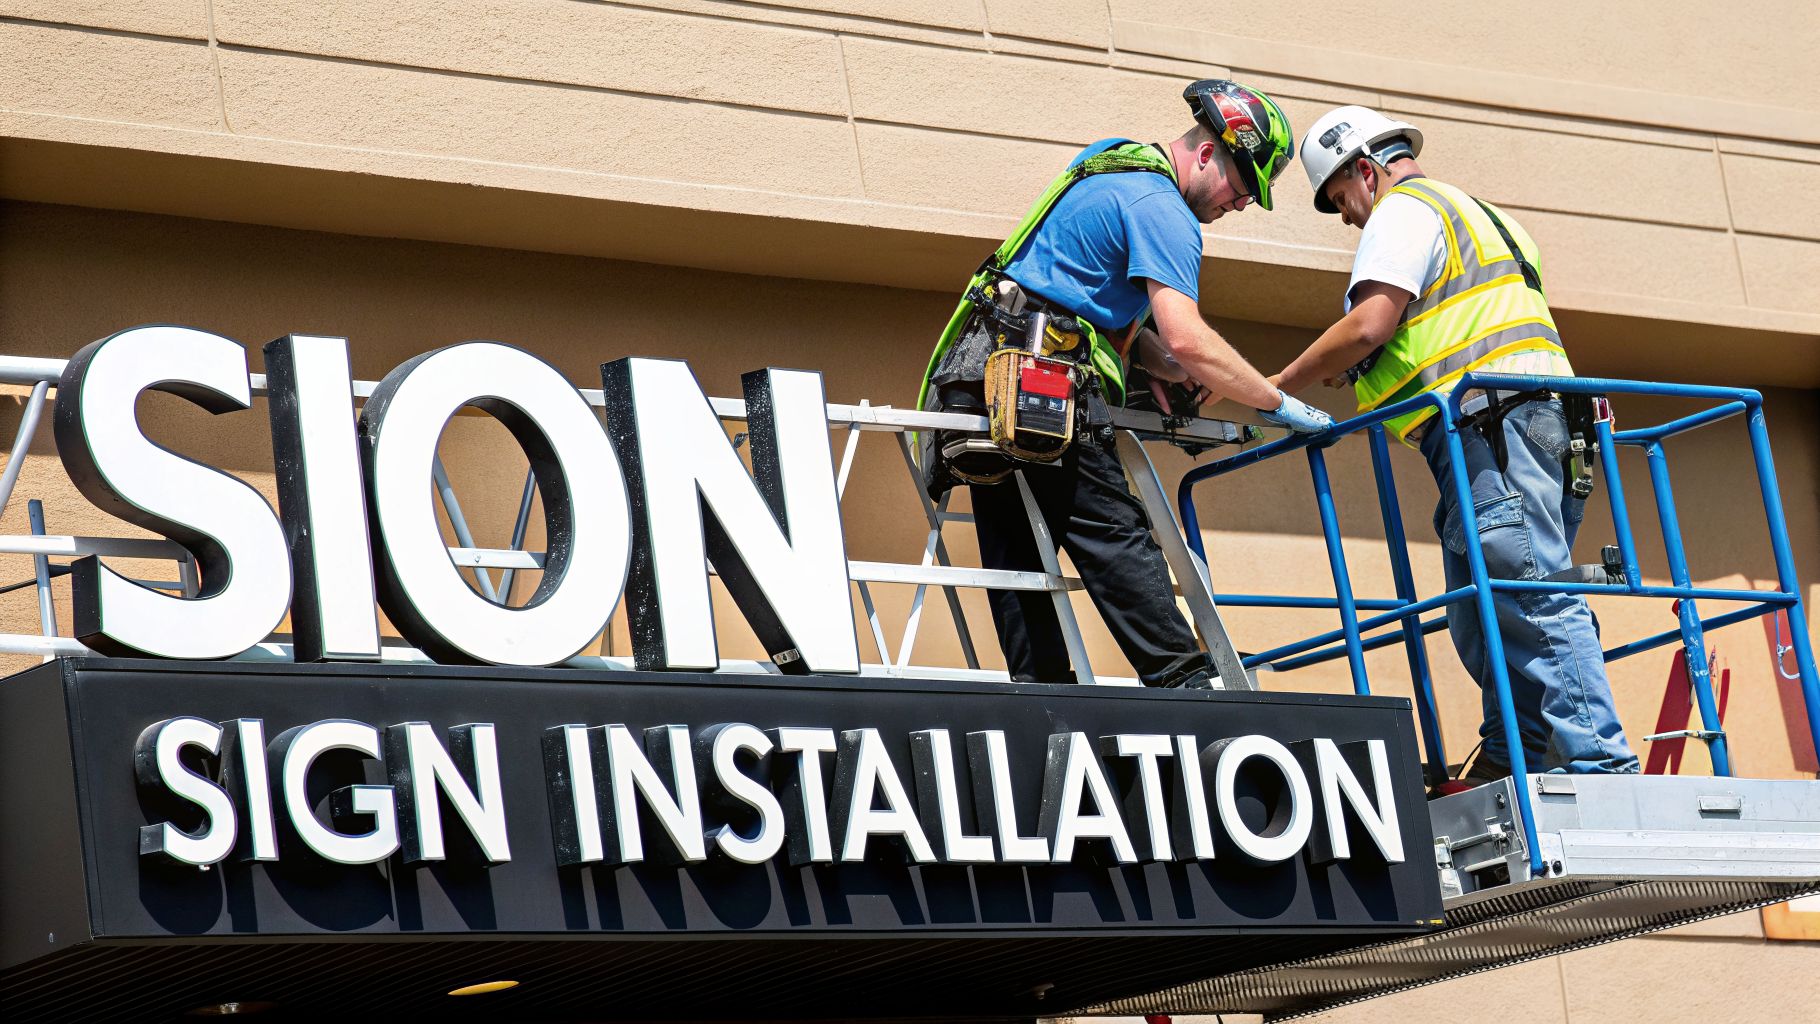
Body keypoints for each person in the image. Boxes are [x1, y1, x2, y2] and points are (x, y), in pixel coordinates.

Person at [917, 79, 1332, 690]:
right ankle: (1188, 685)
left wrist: (1158, 365)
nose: (1240, 206)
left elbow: (1075, 289)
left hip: (986, 374)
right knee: (1112, 530)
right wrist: (1276, 401)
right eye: (1242, 188)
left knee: (1017, 549)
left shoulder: (1106, 167)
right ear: (1208, 153)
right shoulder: (1163, 210)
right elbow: (1187, 336)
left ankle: (1043, 692)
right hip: (1042, 378)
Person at [1272, 105, 1638, 776]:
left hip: (1494, 430)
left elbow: (1369, 324)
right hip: (1538, 427)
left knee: (1529, 593)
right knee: (1488, 612)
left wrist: (1283, 386)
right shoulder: (1485, 217)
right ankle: (1512, 757)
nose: (1350, 216)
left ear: (1365, 170)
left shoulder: (1402, 214)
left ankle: (1602, 765)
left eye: (1342, 199)